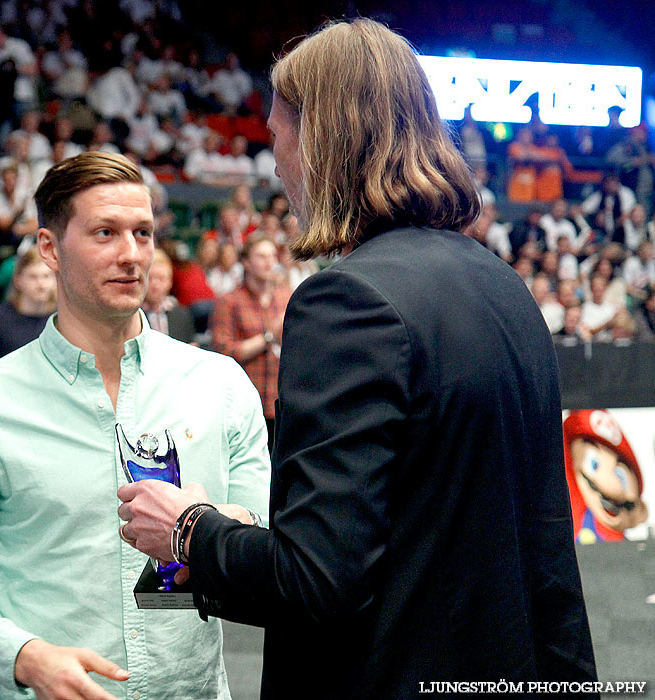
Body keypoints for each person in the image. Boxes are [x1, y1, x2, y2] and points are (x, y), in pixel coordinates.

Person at [118, 19, 597, 700]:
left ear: (320, 137)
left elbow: (318, 581)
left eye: (277, 132)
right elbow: (537, 555)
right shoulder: (502, 283)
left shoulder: (346, 301)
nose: (274, 159)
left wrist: (190, 530)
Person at [0, 152, 270, 700]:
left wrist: (204, 524)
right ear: (50, 248)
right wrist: (26, 658)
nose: (131, 255)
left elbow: (267, 534)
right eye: (105, 233)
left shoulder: (219, 385)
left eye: (143, 233)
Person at [210, 235, 289, 452]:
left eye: (272, 256)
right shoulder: (230, 302)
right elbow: (225, 352)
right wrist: (267, 337)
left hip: (280, 402)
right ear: (246, 262)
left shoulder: (286, 297)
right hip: (244, 404)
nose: (269, 262)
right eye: (261, 256)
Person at [0, 247, 55, 373]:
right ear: (18, 280)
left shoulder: (61, 321)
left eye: (46, 276)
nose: (41, 284)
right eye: (33, 277)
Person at [141, 247, 194, 343]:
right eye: (150, 278)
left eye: (161, 278)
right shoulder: (131, 317)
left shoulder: (182, 316)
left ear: (170, 282)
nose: (155, 285)